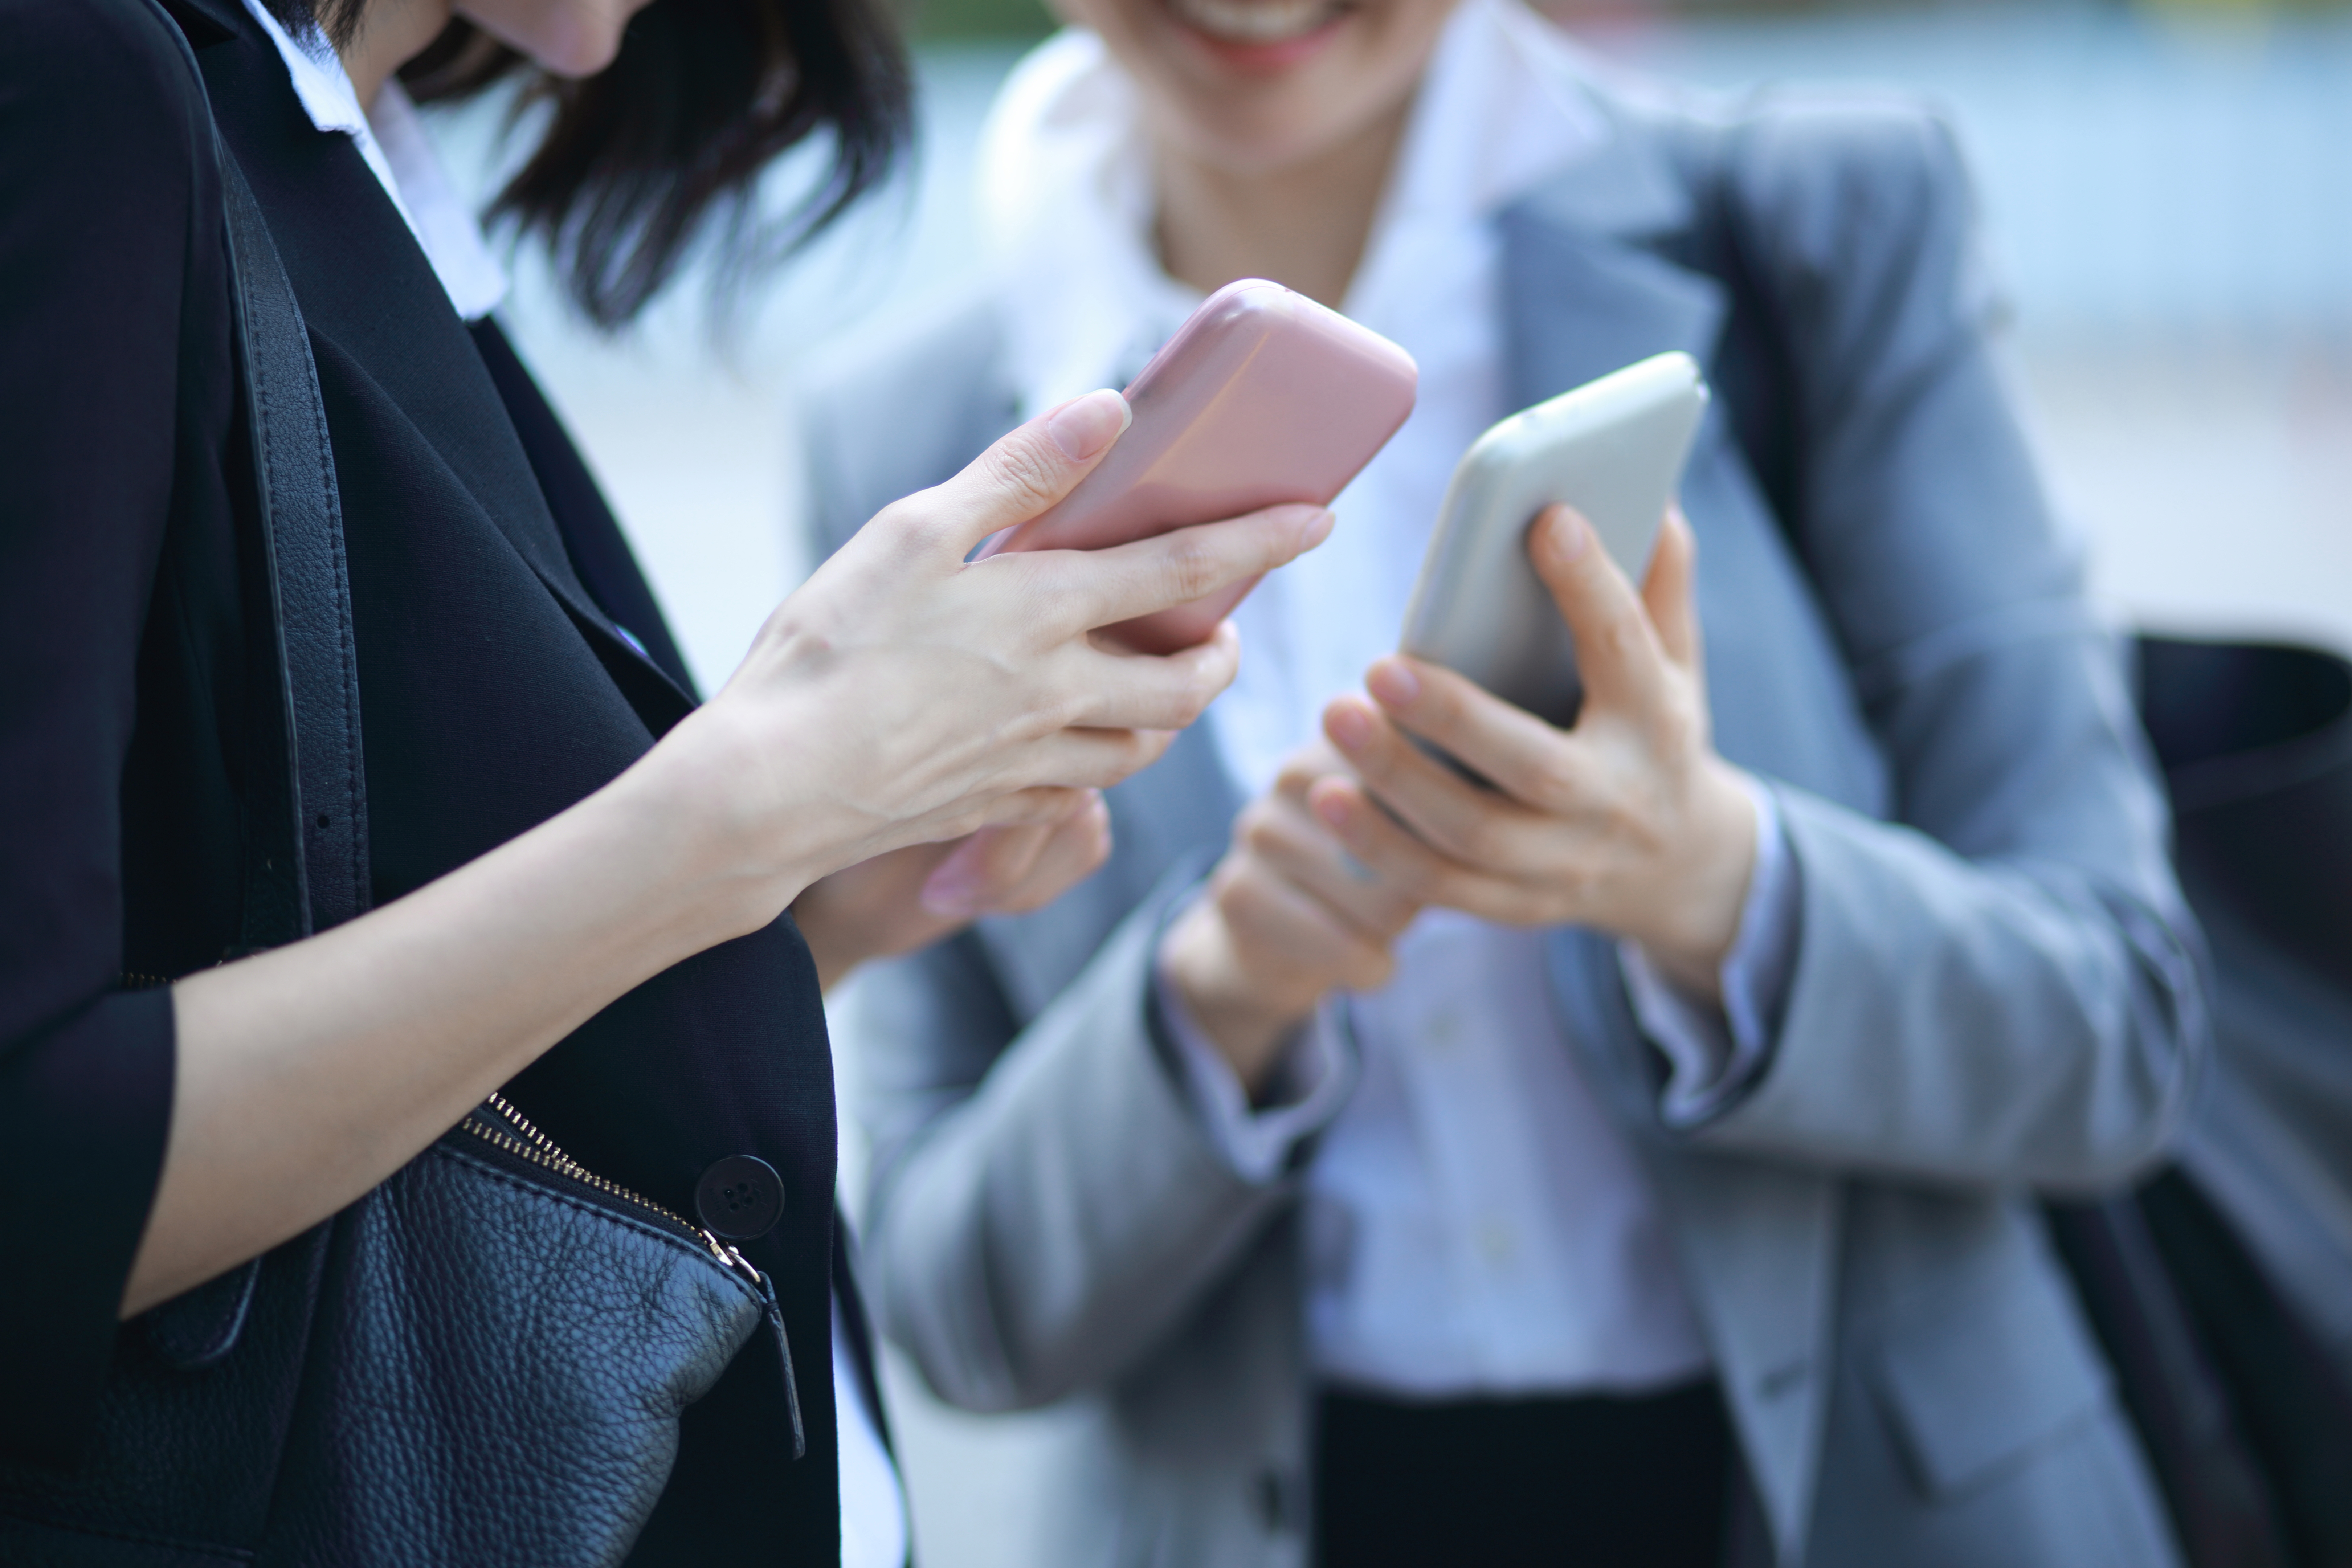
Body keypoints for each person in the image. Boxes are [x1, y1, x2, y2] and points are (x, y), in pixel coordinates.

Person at [802, 0, 2210, 1563]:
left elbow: (2120, 1029)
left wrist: (1709, 880)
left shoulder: (1819, 226)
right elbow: (956, 1311)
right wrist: (1218, 996)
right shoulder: (919, 449)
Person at [0, 0, 1331, 1559]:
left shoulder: (359, 162)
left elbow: (411, 1012)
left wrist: (807, 899)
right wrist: (747, 810)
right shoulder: (80, 84)